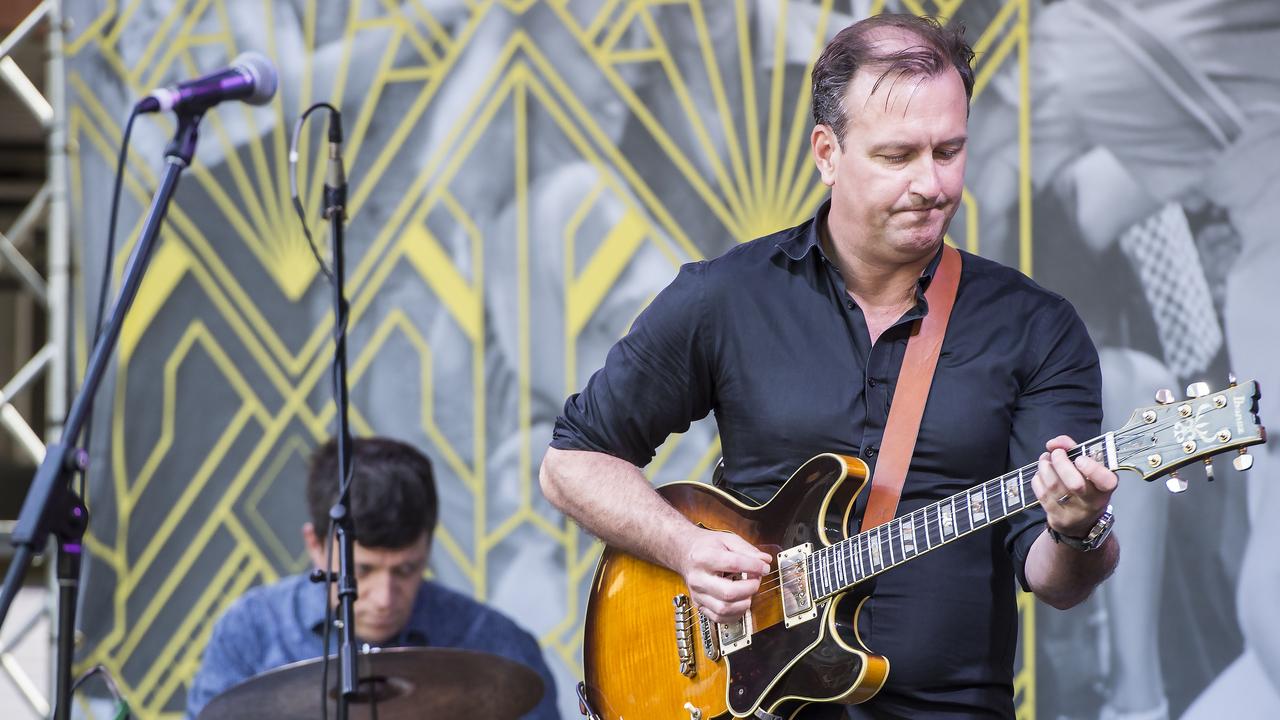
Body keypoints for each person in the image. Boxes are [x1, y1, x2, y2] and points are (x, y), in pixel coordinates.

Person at [540, 13, 1120, 718]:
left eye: (949, 150)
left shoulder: (1037, 329)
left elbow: (1057, 580)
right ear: (827, 153)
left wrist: (1078, 528)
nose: (931, 184)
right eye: (897, 156)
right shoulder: (726, 297)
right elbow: (571, 462)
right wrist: (687, 549)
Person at [186, 436, 558, 719]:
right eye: (361, 571)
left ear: (429, 545)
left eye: (406, 569)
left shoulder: (494, 645)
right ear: (315, 545)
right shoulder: (249, 634)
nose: (384, 597)